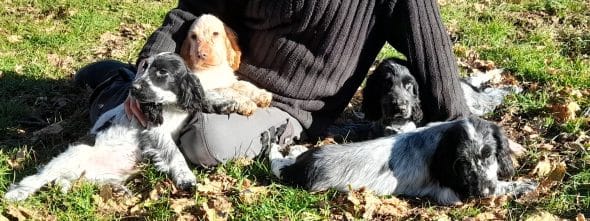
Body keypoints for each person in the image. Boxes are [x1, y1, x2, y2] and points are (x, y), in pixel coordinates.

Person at [74, 0, 469, 167]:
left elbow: (430, 52)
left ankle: (115, 81)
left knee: (204, 142)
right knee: (143, 113)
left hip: (290, 108)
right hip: (219, 76)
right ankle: (116, 86)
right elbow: (191, 11)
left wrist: (459, 128)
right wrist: (145, 76)